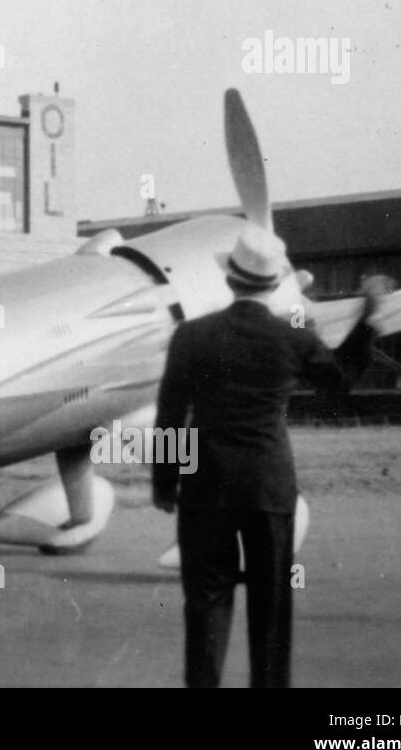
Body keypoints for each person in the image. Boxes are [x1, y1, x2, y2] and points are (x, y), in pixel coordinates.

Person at [152, 225, 384, 688]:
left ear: (230, 278)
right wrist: (369, 319)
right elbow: (339, 379)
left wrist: (165, 482)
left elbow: (170, 413)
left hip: (204, 487)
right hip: (268, 485)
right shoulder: (291, 338)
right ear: (274, 283)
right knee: (271, 604)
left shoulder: (191, 336)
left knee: (205, 603)